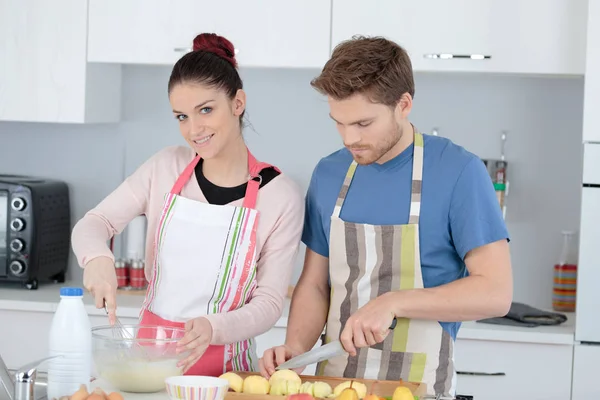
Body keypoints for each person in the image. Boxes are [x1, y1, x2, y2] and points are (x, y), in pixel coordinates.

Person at [258, 36, 512, 397]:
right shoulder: (330, 174)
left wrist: (392, 302)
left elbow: (495, 292)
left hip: (420, 388)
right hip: (333, 385)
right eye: (339, 123)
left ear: (403, 104)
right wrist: (296, 351)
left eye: (363, 123)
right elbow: (315, 284)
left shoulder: (459, 172)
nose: (349, 138)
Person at [71, 33, 304, 376]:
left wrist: (213, 327)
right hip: (148, 369)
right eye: (181, 116)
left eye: (205, 110)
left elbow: (269, 304)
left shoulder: (280, 195)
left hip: (227, 376)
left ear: (237, 103)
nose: (194, 129)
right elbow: (96, 222)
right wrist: (97, 258)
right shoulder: (165, 167)